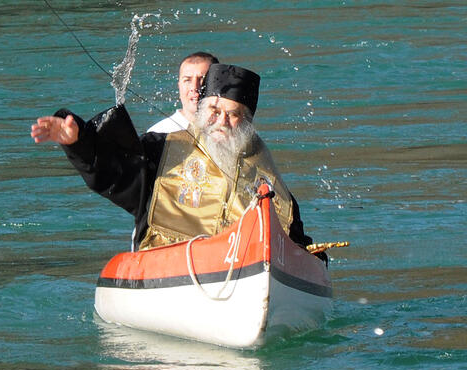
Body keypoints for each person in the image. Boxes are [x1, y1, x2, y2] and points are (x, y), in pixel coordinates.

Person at [30, 63, 321, 256]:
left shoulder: (267, 179)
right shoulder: (164, 150)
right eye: (214, 112)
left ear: (246, 122)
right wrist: (78, 141)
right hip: (169, 269)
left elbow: (297, 245)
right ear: (201, 110)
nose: (222, 122)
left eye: (233, 115)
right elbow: (114, 169)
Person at [145, 52, 218, 134]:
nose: (194, 87)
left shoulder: (229, 131)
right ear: (179, 86)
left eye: (203, 80)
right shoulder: (159, 132)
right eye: (187, 80)